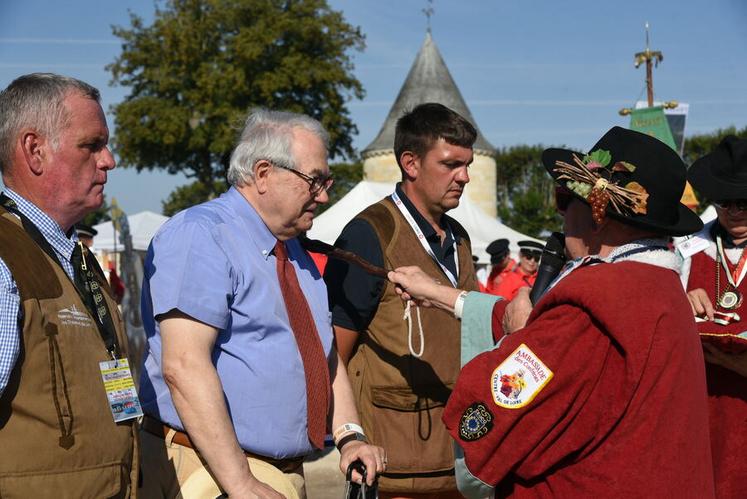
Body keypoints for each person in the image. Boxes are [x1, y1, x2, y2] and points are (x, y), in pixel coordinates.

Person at [388, 127, 715, 498]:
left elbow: (500, 410)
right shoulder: (658, 287)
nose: (561, 217)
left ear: (599, 212)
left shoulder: (593, 304)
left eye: (565, 199)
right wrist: (437, 293)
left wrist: (517, 340)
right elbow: (536, 325)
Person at [138, 108, 385, 499]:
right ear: (264, 173)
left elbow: (325, 356)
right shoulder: (201, 236)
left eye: (326, 182)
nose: (323, 195)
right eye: (314, 181)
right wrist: (240, 482)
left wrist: (349, 436)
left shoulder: (297, 255)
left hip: (273, 476)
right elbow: (184, 366)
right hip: (209, 471)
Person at [324, 102, 479, 498]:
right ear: (411, 163)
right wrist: (349, 437)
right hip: (392, 466)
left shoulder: (459, 237)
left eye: (467, 165)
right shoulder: (370, 235)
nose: (464, 177)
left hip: (458, 459)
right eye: (450, 165)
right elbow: (331, 355)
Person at [0, 74, 136, 496]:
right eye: (91, 145)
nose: (109, 160)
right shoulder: (5, 257)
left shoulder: (77, 259)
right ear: (34, 151)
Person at [680, 135, 747, 499]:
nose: (735, 212)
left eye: (744, 203)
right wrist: (679, 298)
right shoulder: (686, 252)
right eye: (725, 202)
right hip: (702, 409)